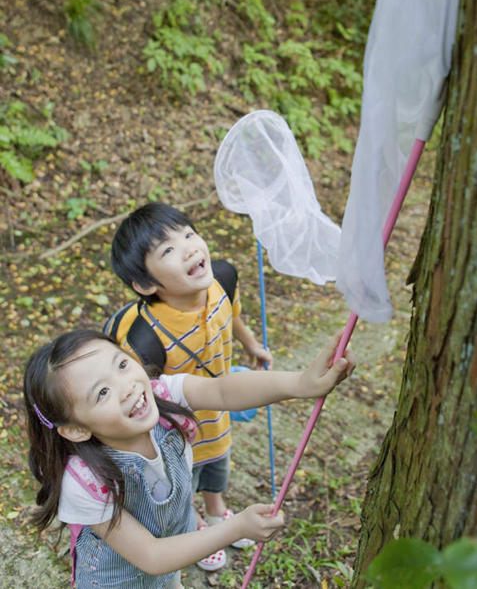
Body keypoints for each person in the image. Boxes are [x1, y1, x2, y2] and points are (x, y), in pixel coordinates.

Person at [24, 327, 355, 589]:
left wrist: (299, 383)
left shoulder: (163, 395)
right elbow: (151, 556)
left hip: (172, 559)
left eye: (122, 365)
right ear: (76, 429)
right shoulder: (85, 482)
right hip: (115, 581)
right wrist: (236, 527)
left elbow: (224, 390)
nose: (127, 387)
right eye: (102, 393)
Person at [109, 202, 273, 567]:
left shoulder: (223, 280)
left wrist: (251, 345)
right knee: (184, 478)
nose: (190, 247)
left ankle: (217, 511)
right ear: (145, 284)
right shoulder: (143, 337)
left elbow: (232, 314)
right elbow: (137, 395)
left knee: (219, 464)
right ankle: (196, 526)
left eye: (188, 234)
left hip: (218, 408)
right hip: (175, 426)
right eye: (168, 250)